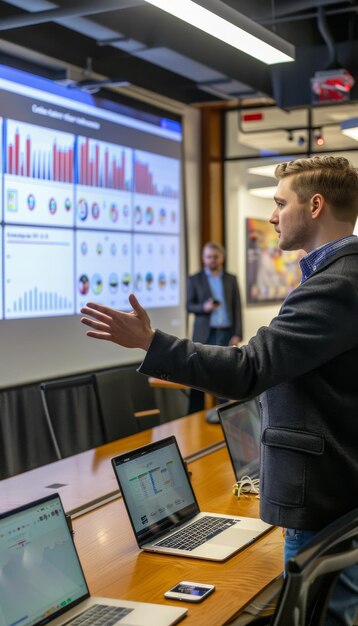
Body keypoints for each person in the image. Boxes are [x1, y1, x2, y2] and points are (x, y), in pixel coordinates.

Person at [81, 155, 358, 625]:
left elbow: (250, 368)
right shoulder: (336, 276)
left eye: (278, 203)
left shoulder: (337, 283)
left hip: (322, 500)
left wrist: (152, 344)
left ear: (315, 205)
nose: (271, 215)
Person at [186, 242, 242, 415]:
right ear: (203, 258)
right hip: (205, 334)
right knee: (198, 377)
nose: (212, 260)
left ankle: (225, 414)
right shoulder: (195, 279)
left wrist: (238, 333)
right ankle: (195, 415)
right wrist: (205, 308)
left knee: (225, 375)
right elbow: (189, 306)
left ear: (221, 258)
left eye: (215, 257)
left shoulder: (230, 279)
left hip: (226, 333)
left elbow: (237, 307)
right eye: (208, 257)